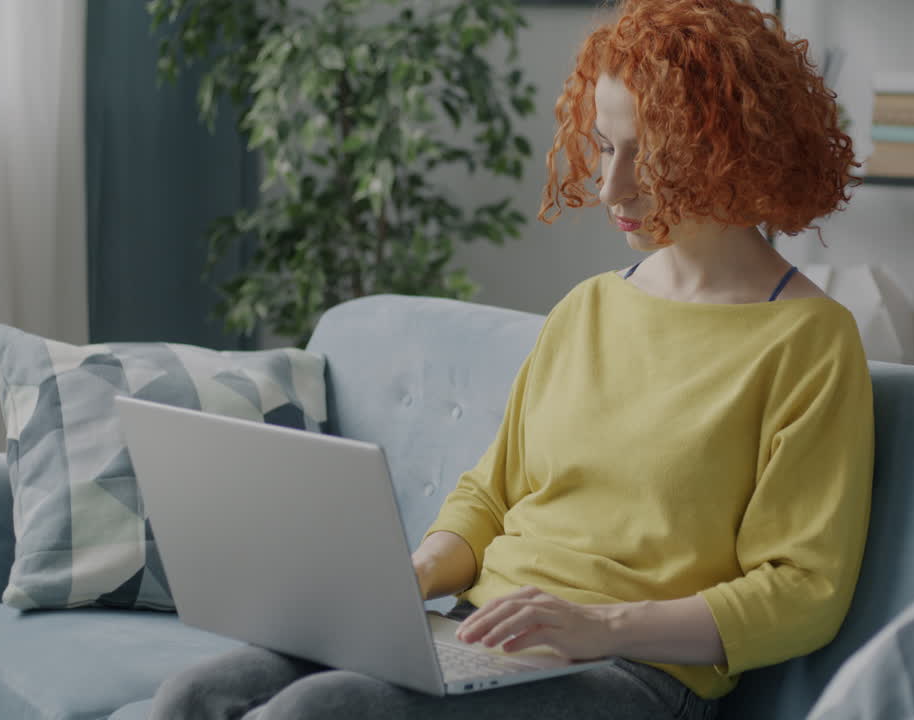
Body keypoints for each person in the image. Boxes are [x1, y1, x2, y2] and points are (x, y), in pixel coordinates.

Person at [151, 0, 872, 717]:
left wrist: (600, 626)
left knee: (324, 711)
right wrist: (412, 577)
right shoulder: (587, 307)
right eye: (605, 147)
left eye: (648, 159)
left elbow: (802, 590)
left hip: (636, 673)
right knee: (198, 694)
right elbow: (490, 495)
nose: (611, 187)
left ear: (729, 152)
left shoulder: (807, 341)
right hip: (477, 629)